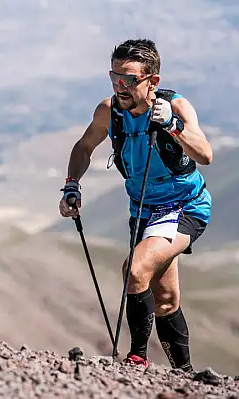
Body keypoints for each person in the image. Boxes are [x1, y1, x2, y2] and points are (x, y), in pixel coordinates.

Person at [58, 38, 214, 372]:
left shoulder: (177, 106)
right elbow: (83, 147)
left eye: (128, 79)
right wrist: (72, 184)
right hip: (142, 211)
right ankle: (183, 376)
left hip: (184, 207)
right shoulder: (109, 110)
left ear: (152, 81)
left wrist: (172, 125)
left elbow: (205, 155)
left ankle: (136, 358)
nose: (119, 86)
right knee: (167, 299)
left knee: (135, 269)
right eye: (114, 77)